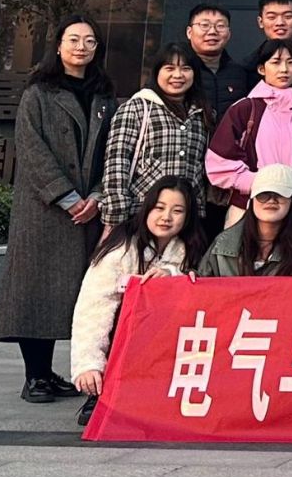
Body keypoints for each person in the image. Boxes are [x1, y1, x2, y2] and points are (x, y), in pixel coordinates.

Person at [0, 18, 117, 404]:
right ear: (59, 45)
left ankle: (59, 372)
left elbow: (113, 151)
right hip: (44, 211)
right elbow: (31, 149)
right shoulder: (38, 92)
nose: (81, 47)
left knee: (79, 295)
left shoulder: (104, 96)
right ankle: (35, 375)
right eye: (73, 39)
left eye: (89, 41)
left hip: (89, 209)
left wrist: (97, 195)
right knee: (36, 291)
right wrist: (66, 197)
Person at [70, 178, 204, 425]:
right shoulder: (121, 248)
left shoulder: (190, 249)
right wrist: (89, 365)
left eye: (177, 211)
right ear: (147, 208)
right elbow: (94, 307)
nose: (166, 217)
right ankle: (102, 390)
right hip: (123, 338)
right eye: (159, 208)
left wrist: (173, 276)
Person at [98, 42, 209, 235]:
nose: (178, 75)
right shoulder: (137, 108)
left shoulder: (203, 113)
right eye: (169, 68)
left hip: (187, 218)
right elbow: (116, 161)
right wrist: (115, 216)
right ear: (157, 72)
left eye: (185, 68)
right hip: (141, 213)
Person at [205, 39, 292, 224]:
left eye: (291, 63)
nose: (284, 69)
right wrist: (263, 184)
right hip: (248, 209)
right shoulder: (244, 109)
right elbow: (218, 163)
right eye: (276, 62)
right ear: (261, 69)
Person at [201, 164, 292, 276]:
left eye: (280, 194)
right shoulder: (222, 245)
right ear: (252, 200)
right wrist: (192, 276)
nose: (271, 200)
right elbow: (201, 280)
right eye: (263, 194)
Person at [182, 3, 250, 123]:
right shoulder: (177, 71)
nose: (212, 31)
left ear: (229, 34)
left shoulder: (240, 73)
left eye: (220, 26)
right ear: (189, 32)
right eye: (204, 25)